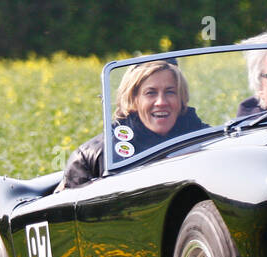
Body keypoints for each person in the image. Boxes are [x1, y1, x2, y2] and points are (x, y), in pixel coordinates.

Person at [57, 60, 208, 191]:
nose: (161, 102)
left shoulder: (210, 140)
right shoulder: (92, 156)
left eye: (170, 92)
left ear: (181, 98)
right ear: (133, 99)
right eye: (150, 93)